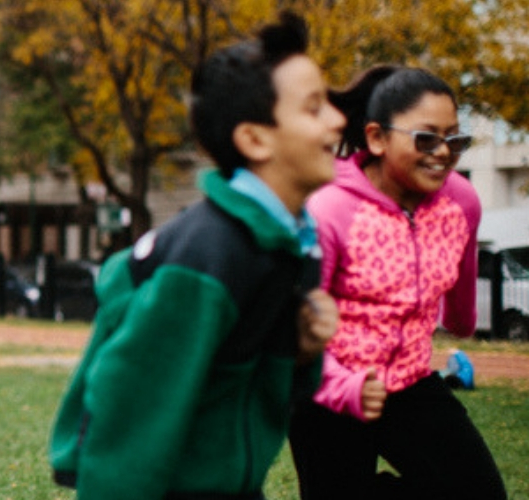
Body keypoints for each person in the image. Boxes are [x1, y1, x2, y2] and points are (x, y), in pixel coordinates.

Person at [48, 13, 341, 498]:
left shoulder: (287, 242)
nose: (337, 119)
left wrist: (300, 353)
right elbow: (129, 415)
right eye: (314, 108)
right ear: (254, 138)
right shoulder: (208, 259)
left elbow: (243, 390)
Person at [289, 65, 506, 499]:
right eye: (426, 138)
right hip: (326, 388)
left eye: (455, 140)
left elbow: (462, 311)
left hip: (409, 384)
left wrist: (462, 320)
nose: (443, 153)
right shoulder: (329, 209)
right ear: (377, 138)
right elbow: (294, 329)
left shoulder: (459, 202)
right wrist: (343, 385)